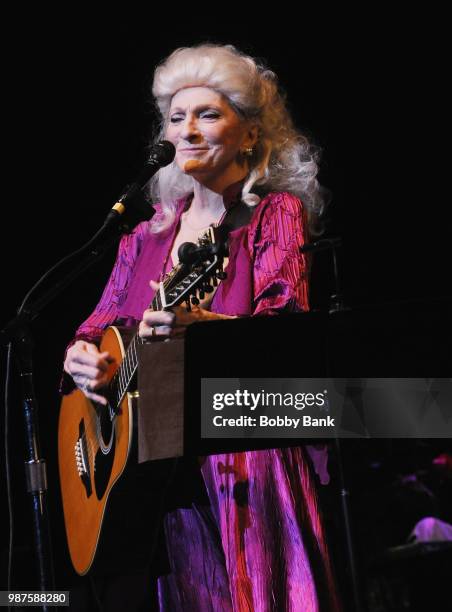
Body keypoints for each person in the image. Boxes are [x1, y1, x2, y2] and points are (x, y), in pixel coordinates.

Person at [62, 44, 339, 611]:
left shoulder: (272, 214)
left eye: (208, 114)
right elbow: (94, 327)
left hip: (246, 457)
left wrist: (207, 327)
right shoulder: (143, 239)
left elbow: (288, 331)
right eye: (175, 117)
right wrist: (82, 357)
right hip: (157, 471)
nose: (186, 131)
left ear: (250, 134)